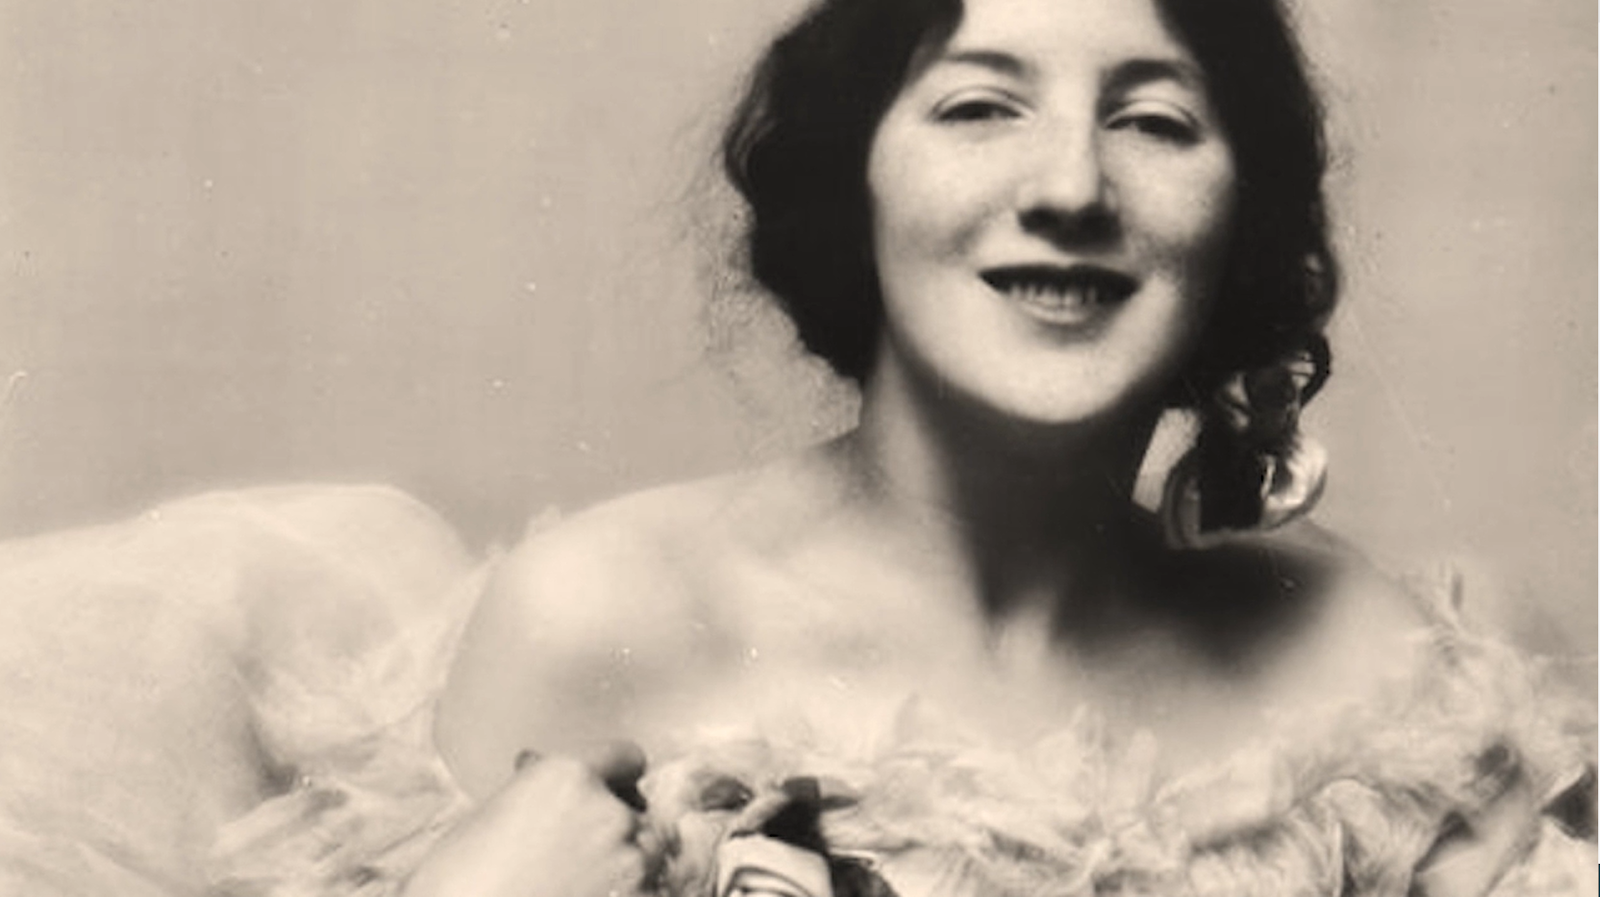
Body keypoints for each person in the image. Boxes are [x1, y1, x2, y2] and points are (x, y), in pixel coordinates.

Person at [200, 0, 1591, 894]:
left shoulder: (1373, 669)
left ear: (1239, 223)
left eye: (1155, 122)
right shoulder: (597, 620)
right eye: (979, 106)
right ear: (851, 183)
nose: (1071, 187)